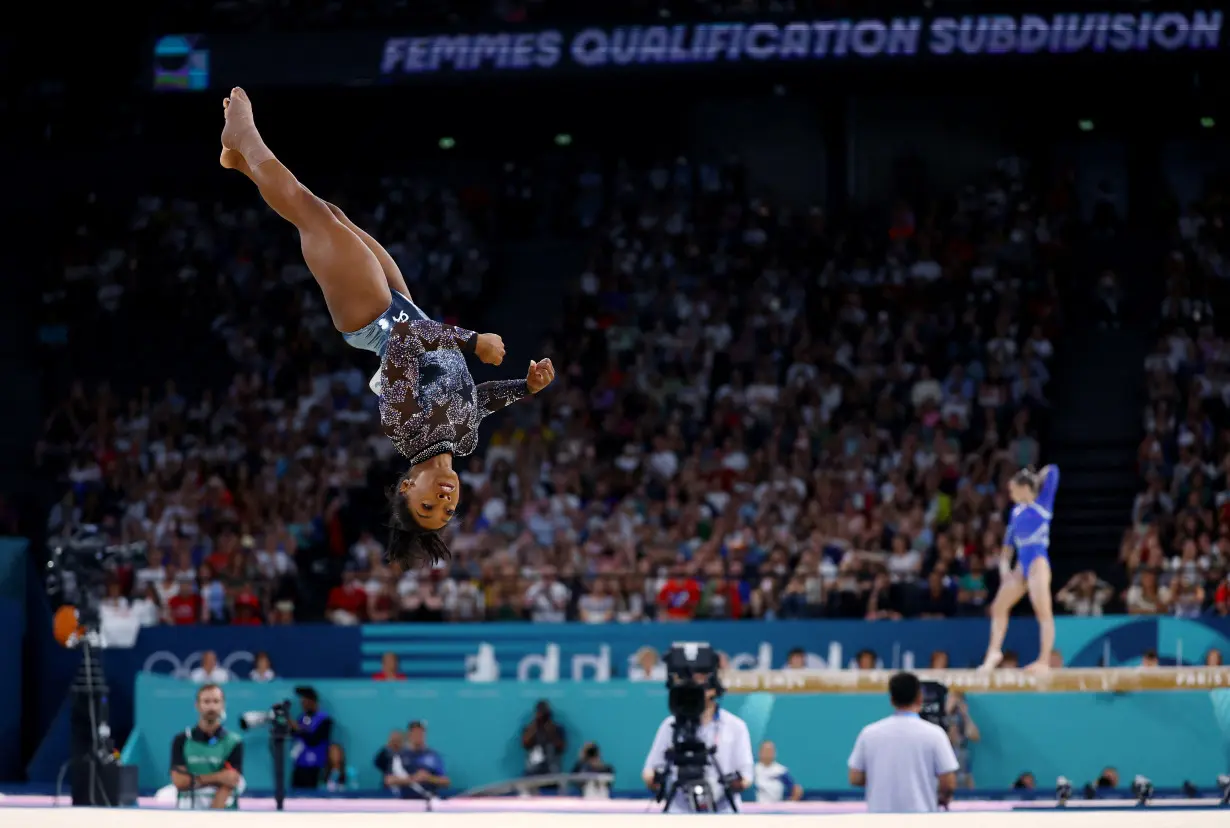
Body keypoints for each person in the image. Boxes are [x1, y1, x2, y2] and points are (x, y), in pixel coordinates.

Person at [218, 87, 555, 569]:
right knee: (331, 214)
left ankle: (244, 136)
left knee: (309, 215)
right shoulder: (462, 441)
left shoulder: (404, 427)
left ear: (405, 486)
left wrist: (473, 341)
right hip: (404, 306)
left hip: (373, 319)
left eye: (427, 506)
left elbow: (403, 342)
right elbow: (478, 401)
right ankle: (240, 162)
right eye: (448, 509)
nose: (443, 498)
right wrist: (526, 387)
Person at [981, 465, 1061, 673]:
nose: (1010, 494)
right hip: (1020, 568)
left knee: (1043, 612)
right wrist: (1004, 570)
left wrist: (1034, 478)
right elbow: (1007, 548)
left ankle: (1043, 660)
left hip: (1037, 564)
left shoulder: (1043, 503)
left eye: (1012, 489)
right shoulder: (1015, 513)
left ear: (1024, 487)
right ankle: (994, 652)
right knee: (998, 607)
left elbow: (1053, 470)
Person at [641, 669, 754, 812]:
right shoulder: (671, 725)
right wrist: (656, 782)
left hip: (723, 810)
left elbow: (746, 775)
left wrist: (731, 784)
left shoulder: (735, 726)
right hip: (679, 809)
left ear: (713, 691)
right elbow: (650, 770)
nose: (693, 694)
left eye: (698, 689)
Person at [847, 671, 959, 813]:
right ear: (920, 698)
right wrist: (941, 797)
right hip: (921, 818)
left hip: (880, 820)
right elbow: (948, 783)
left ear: (892, 700)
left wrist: (882, 778)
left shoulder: (869, 734)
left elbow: (855, 778)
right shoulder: (934, 734)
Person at [169, 684, 245, 809]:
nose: (211, 707)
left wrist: (212, 818)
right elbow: (180, 781)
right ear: (197, 705)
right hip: (187, 811)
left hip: (221, 812)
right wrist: (218, 777)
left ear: (223, 705)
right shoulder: (181, 740)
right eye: (206, 701)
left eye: (216, 701)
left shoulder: (234, 742)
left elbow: (230, 782)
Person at [384, 721, 450, 799]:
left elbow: (445, 781)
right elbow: (389, 780)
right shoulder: (399, 756)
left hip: (429, 800)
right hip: (406, 802)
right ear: (409, 735)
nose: (418, 736)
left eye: (420, 733)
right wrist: (413, 778)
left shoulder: (433, 756)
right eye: (415, 733)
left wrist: (429, 778)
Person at [289, 686, 333, 789]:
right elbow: (293, 734)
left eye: (305, 701)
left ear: (313, 701)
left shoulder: (325, 720)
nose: (303, 704)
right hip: (299, 766)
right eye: (302, 702)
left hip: (315, 767)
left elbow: (314, 740)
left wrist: (297, 728)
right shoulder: (302, 718)